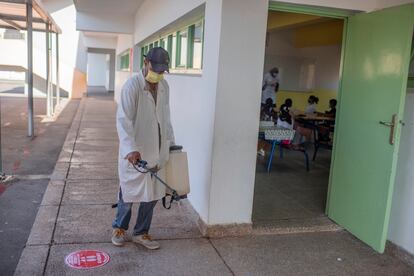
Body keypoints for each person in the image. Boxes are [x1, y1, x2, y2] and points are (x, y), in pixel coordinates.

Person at [111, 47, 175, 250]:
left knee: (152, 195)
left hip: (157, 150)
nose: (159, 73)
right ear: (146, 63)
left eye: (162, 70)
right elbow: (124, 120)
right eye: (156, 68)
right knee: (128, 193)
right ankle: (119, 228)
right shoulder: (132, 86)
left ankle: (141, 232)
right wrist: (130, 148)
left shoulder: (164, 87)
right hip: (136, 153)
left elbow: (166, 118)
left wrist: (171, 144)